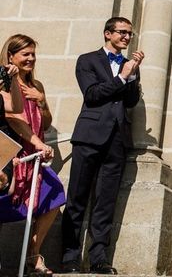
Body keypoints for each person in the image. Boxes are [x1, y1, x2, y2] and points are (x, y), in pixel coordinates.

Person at [61, 17, 144, 275]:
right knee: (77, 199)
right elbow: (92, 94)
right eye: (122, 32)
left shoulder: (130, 66)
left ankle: (98, 258)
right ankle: (69, 258)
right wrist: (122, 78)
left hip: (117, 140)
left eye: (130, 34)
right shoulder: (87, 60)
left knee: (106, 202)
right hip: (89, 136)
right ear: (108, 33)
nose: (127, 37)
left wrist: (131, 76)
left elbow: (130, 102)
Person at [0, 35, 66, 276]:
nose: (30, 58)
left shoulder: (37, 86)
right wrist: (36, 143)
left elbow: (46, 123)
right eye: (25, 54)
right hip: (15, 152)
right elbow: (14, 118)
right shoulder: (5, 84)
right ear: (11, 56)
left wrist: (43, 102)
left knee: (55, 194)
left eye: (33, 54)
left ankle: (32, 255)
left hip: (36, 153)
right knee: (5, 201)